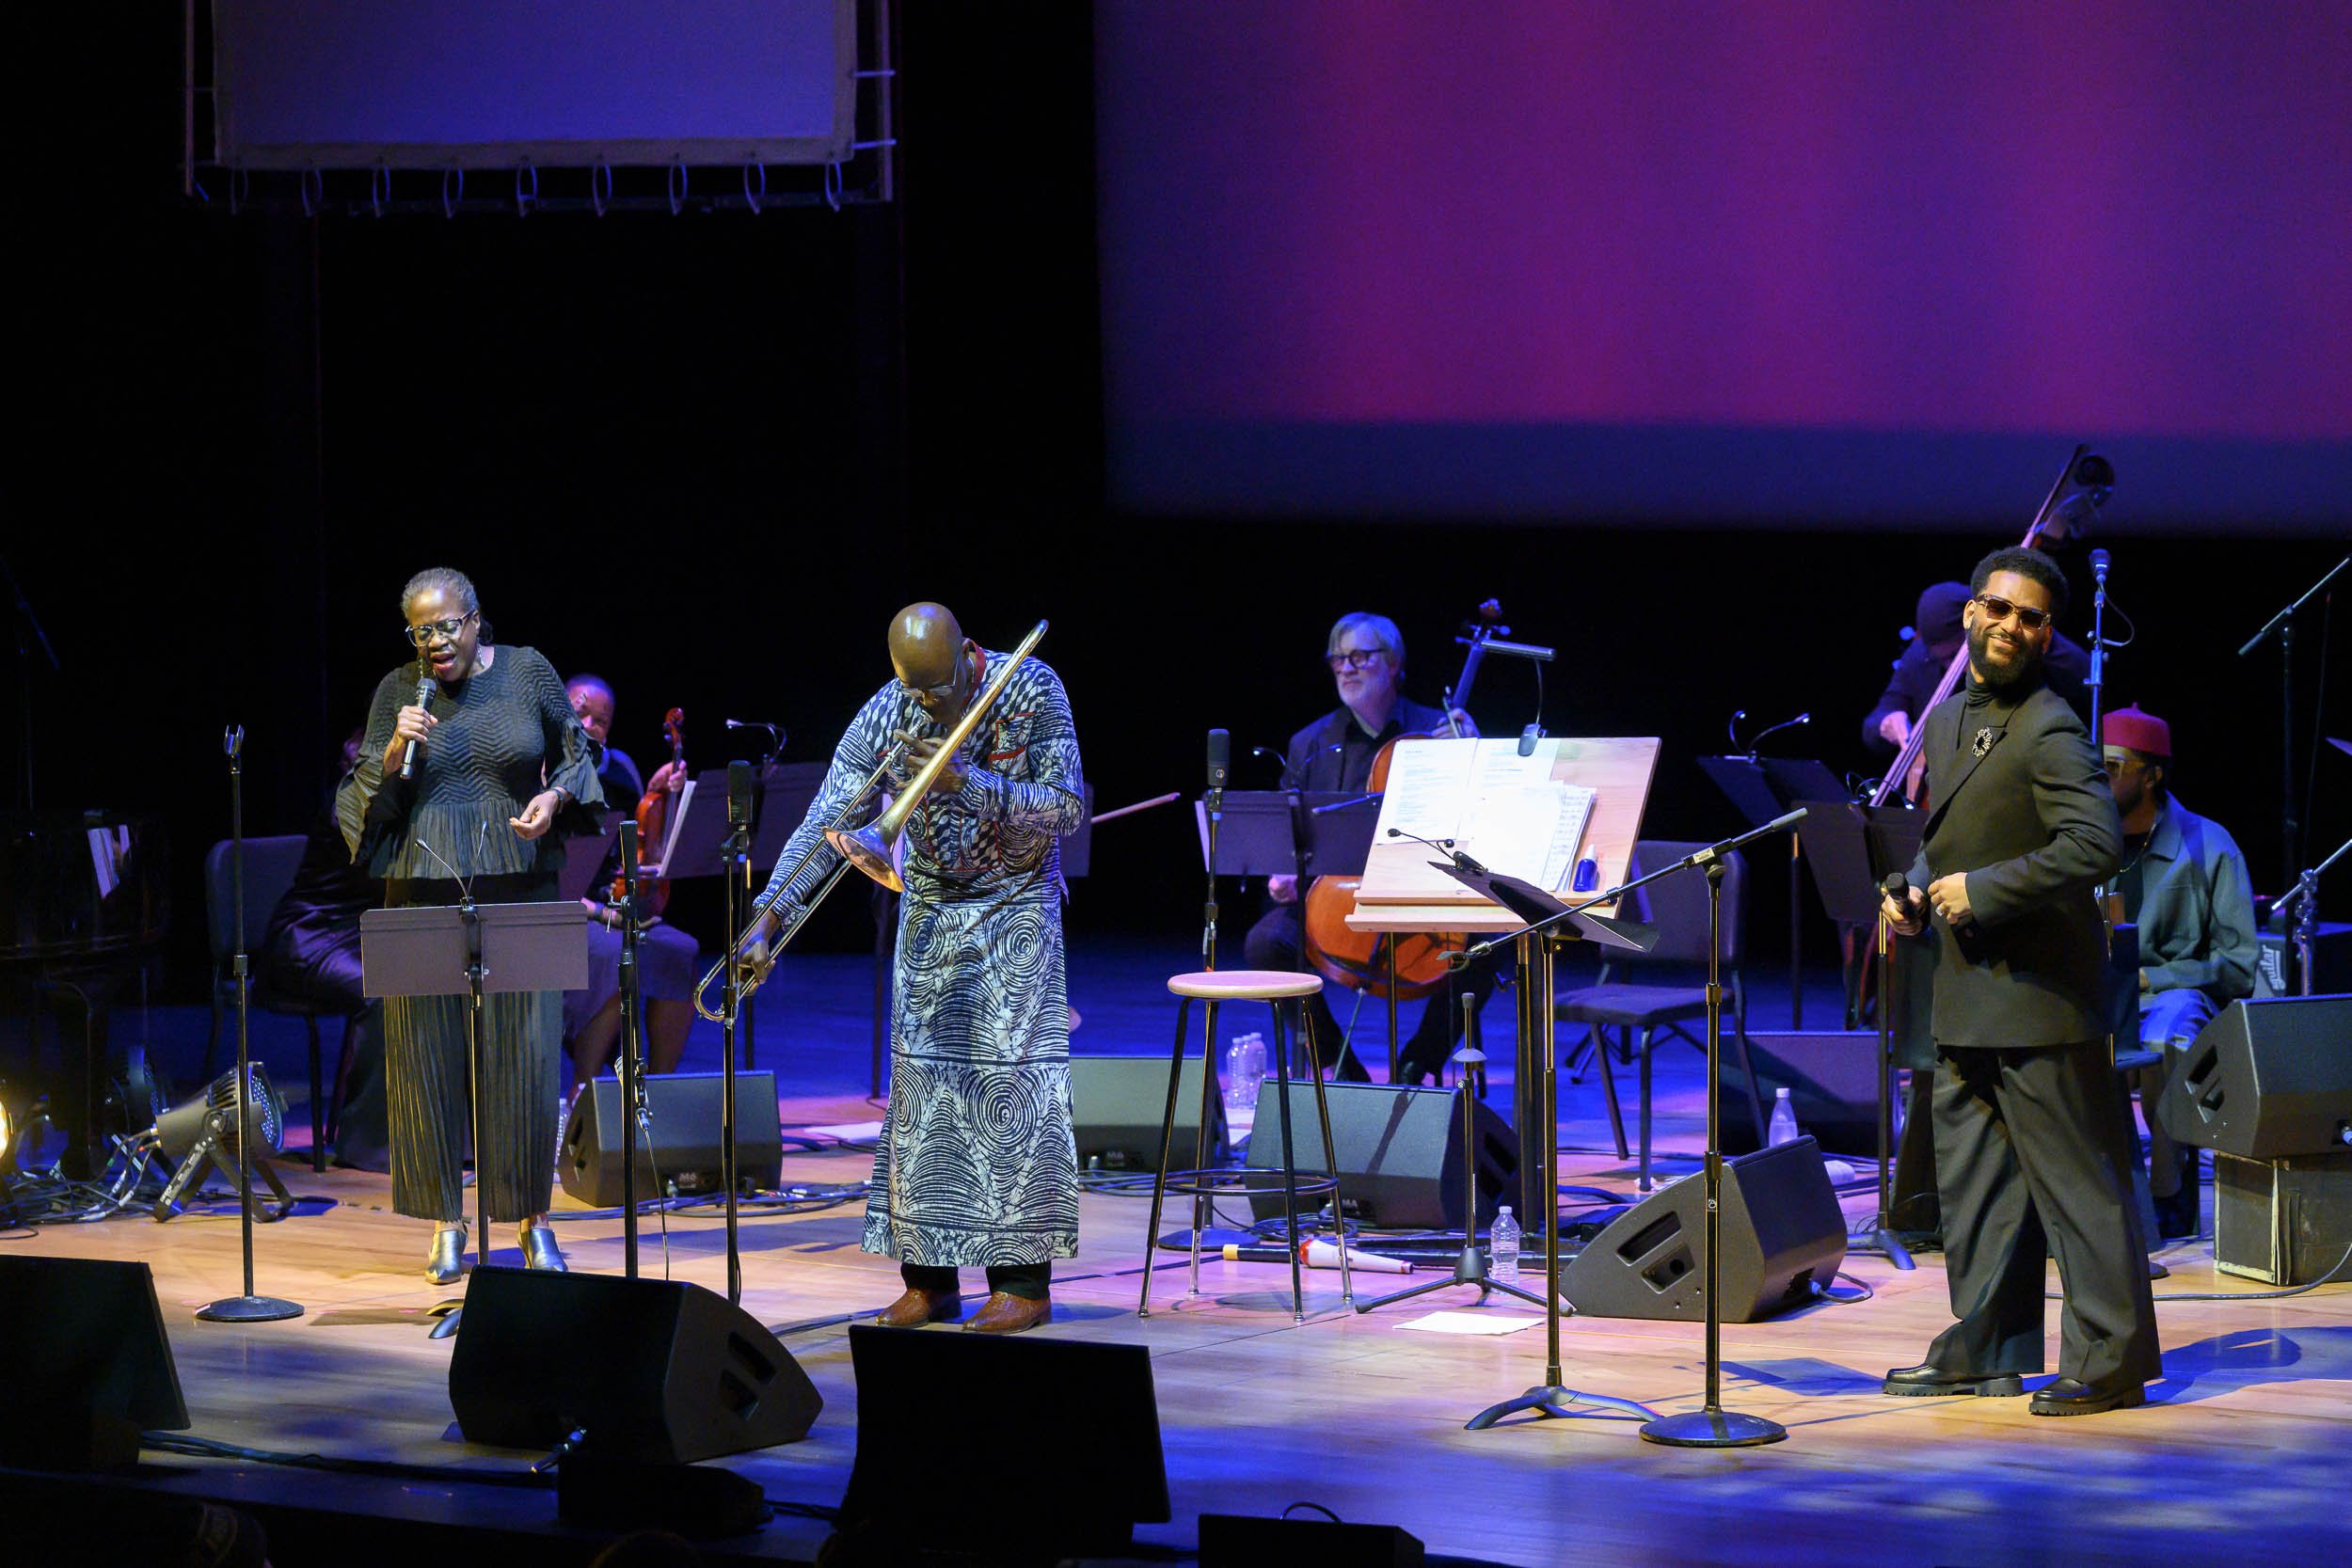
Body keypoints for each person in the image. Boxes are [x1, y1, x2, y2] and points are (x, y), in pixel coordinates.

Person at [741, 603, 1083, 1334]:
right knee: (925, 1099)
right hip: (930, 907)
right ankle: (930, 1281)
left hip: (1015, 907)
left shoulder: (1033, 687)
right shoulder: (891, 707)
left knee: (1010, 1093)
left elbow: (1067, 809)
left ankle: (1023, 1283)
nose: (925, 702)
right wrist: (770, 917)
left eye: (937, 685)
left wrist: (971, 784)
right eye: (914, 688)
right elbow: (827, 817)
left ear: (968, 651)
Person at [1880, 546, 2159, 1416]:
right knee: (1978, 1192)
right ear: (1969, 613)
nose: (2009, 626)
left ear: (2046, 635)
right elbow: (1951, 836)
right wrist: (1915, 888)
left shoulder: (2052, 725)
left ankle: (2111, 1359)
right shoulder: (1956, 716)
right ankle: (1988, 1349)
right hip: (1968, 992)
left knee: (2078, 1189)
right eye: (1997, 609)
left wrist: (1985, 891)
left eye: (2029, 617)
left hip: (2041, 999)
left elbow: (2095, 844)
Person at [338, 567, 605, 1282]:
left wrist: (552, 796)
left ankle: (532, 1221)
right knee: (424, 1060)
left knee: (524, 1057)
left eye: (446, 626)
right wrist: (395, 752)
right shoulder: (398, 690)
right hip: (422, 891)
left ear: (477, 619)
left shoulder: (528, 672)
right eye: (420, 631)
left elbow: (583, 754)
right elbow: (361, 804)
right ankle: (444, 1224)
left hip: (519, 884)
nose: (434, 643)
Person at [1242, 612, 1494, 1085]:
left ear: (1394, 663)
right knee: (1266, 943)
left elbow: (1482, 820)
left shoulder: (1440, 731)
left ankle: (1419, 1062)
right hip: (1333, 902)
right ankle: (1339, 1065)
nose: (1346, 667)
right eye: (1338, 658)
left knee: (1490, 943)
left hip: (1421, 899)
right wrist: (1282, 873)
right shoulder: (1309, 744)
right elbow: (1283, 835)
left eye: (1360, 656)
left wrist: (1474, 754)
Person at [2101, 703, 2258, 1239]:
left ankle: (2169, 1193)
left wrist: (2157, 978)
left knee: (2167, 1034)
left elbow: (2239, 966)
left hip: (2169, 999)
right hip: (2098, 996)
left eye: (2114, 767)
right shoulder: (2082, 846)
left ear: (2152, 776)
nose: (2101, 778)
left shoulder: (2208, 845)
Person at [259, 729, 389, 1169]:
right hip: (309, 936)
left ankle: (446, 1136)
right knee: (387, 991)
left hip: (359, 934)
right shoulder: (350, 802)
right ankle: (366, 1142)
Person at [562, 673, 698, 1084]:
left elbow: (636, 850)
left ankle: (659, 1090)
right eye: (580, 713)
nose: (590, 726)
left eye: (601, 721)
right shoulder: (539, 767)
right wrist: (607, 915)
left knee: (681, 950)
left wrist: (655, 796)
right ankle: (583, 1098)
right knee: (610, 955)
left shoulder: (620, 768)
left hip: (611, 910)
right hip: (564, 912)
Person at [1864, 580, 2093, 800]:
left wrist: (2033, 635)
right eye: (1940, 658)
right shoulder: (1919, 656)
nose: (1949, 666)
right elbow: (1874, 725)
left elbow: (2084, 678)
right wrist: (1887, 723)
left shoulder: (2011, 648)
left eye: (1955, 656)